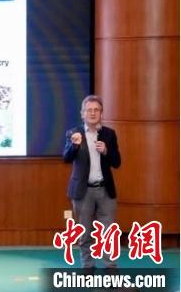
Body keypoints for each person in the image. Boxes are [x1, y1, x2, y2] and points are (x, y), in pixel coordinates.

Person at [63, 94, 121, 272]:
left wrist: (107, 151)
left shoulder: (109, 134)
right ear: (82, 113)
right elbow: (66, 158)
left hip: (105, 190)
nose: (93, 113)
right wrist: (74, 146)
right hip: (83, 191)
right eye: (89, 110)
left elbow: (117, 162)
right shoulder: (74, 133)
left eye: (97, 110)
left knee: (108, 233)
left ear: (101, 113)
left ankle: (110, 269)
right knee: (85, 233)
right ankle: (88, 268)